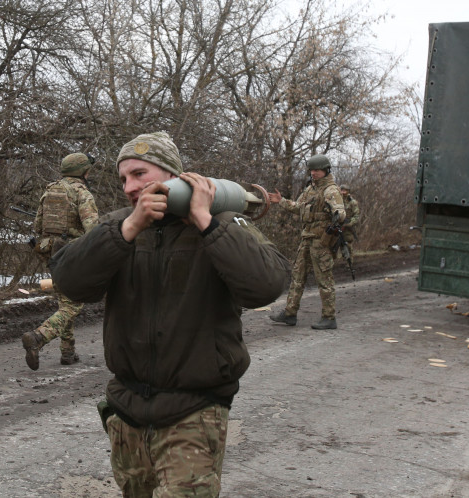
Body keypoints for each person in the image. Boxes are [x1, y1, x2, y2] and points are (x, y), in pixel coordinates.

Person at [48, 131, 290, 496]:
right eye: (124, 178)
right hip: (126, 411)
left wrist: (206, 223)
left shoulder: (221, 221)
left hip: (194, 412)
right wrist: (128, 228)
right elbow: (69, 280)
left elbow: (267, 285)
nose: (130, 186)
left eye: (140, 174)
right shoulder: (118, 226)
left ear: (172, 175)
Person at [21, 152, 99, 370]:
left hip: (51, 252)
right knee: (73, 305)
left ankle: (68, 352)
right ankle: (38, 337)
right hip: (73, 254)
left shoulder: (50, 190)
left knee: (65, 300)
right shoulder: (82, 193)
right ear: (83, 171)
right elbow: (93, 230)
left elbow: (38, 226)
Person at [269, 154, 346, 330]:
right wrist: (281, 201)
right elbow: (299, 207)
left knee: (324, 279)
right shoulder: (311, 189)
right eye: (311, 170)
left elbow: (341, 212)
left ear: (326, 170)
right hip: (307, 238)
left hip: (321, 241)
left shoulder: (331, 190)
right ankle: (289, 313)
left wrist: (337, 215)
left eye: (317, 170)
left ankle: (329, 317)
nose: (314, 173)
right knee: (297, 276)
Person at [332, 184, 360, 261]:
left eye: (345, 191)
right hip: (337, 225)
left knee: (348, 245)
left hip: (347, 227)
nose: (343, 192)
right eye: (342, 190)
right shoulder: (337, 201)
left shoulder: (352, 202)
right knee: (335, 244)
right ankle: (336, 261)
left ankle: (349, 263)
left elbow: (356, 216)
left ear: (348, 192)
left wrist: (350, 224)